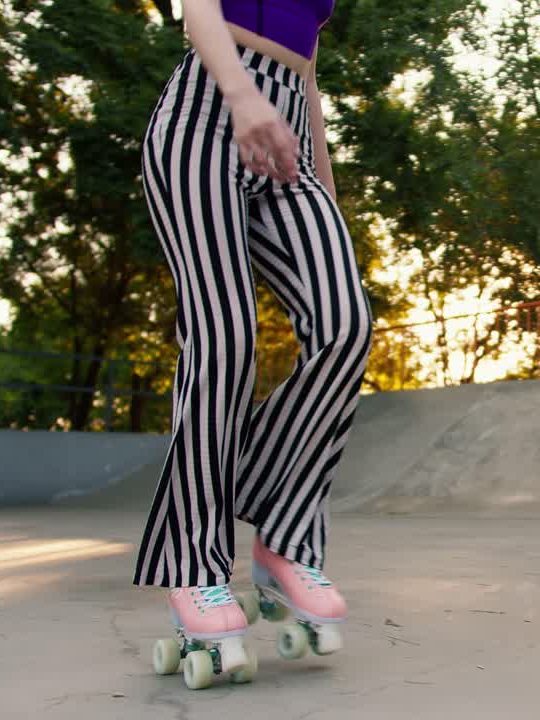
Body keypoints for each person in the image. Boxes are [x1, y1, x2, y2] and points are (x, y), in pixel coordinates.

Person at [134, 0, 372, 677]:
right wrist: (241, 96)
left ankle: (284, 536)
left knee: (345, 325)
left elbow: (307, 72)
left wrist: (327, 203)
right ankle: (196, 566)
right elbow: (197, 10)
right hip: (205, 118)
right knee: (225, 338)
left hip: (289, 139)